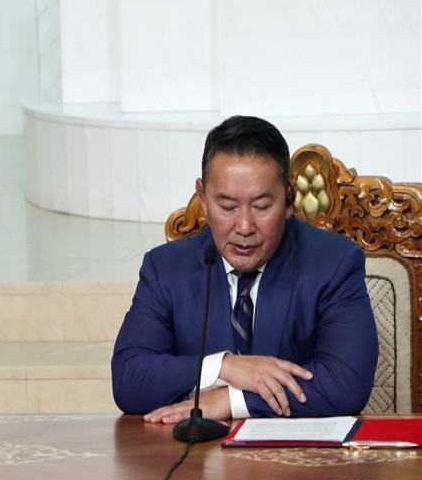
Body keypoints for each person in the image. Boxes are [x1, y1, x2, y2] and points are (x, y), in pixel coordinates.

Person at [111, 116, 378, 422]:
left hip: (294, 464)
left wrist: (232, 400)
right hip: (198, 462)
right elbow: (128, 378)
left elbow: (346, 383)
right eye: (227, 207)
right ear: (203, 197)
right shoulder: (166, 269)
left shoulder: (334, 264)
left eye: (262, 206)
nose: (244, 226)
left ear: (289, 198)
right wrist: (224, 368)